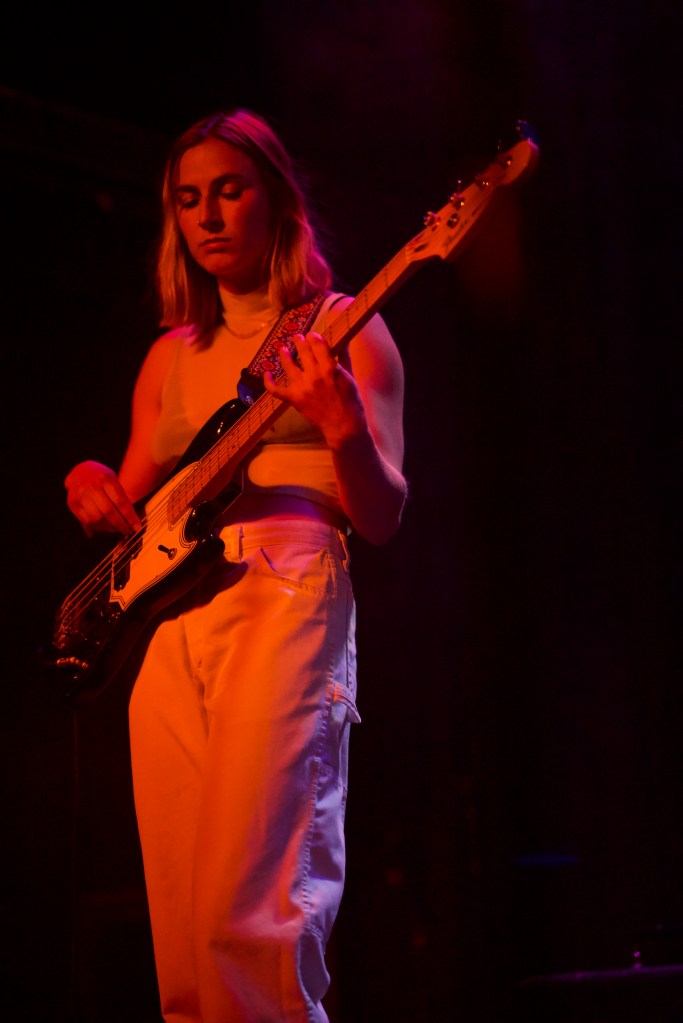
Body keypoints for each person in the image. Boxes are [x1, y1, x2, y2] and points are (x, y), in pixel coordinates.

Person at [64, 108, 407, 1023]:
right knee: (183, 922)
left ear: (276, 200)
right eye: (189, 200)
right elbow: (130, 504)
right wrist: (90, 482)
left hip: (287, 585)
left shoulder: (345, 325)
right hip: (173, 614)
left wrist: (341, 427)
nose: (208, 216)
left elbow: (383, 515)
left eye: (229, 190)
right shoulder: (172, 356)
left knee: (251, 911)